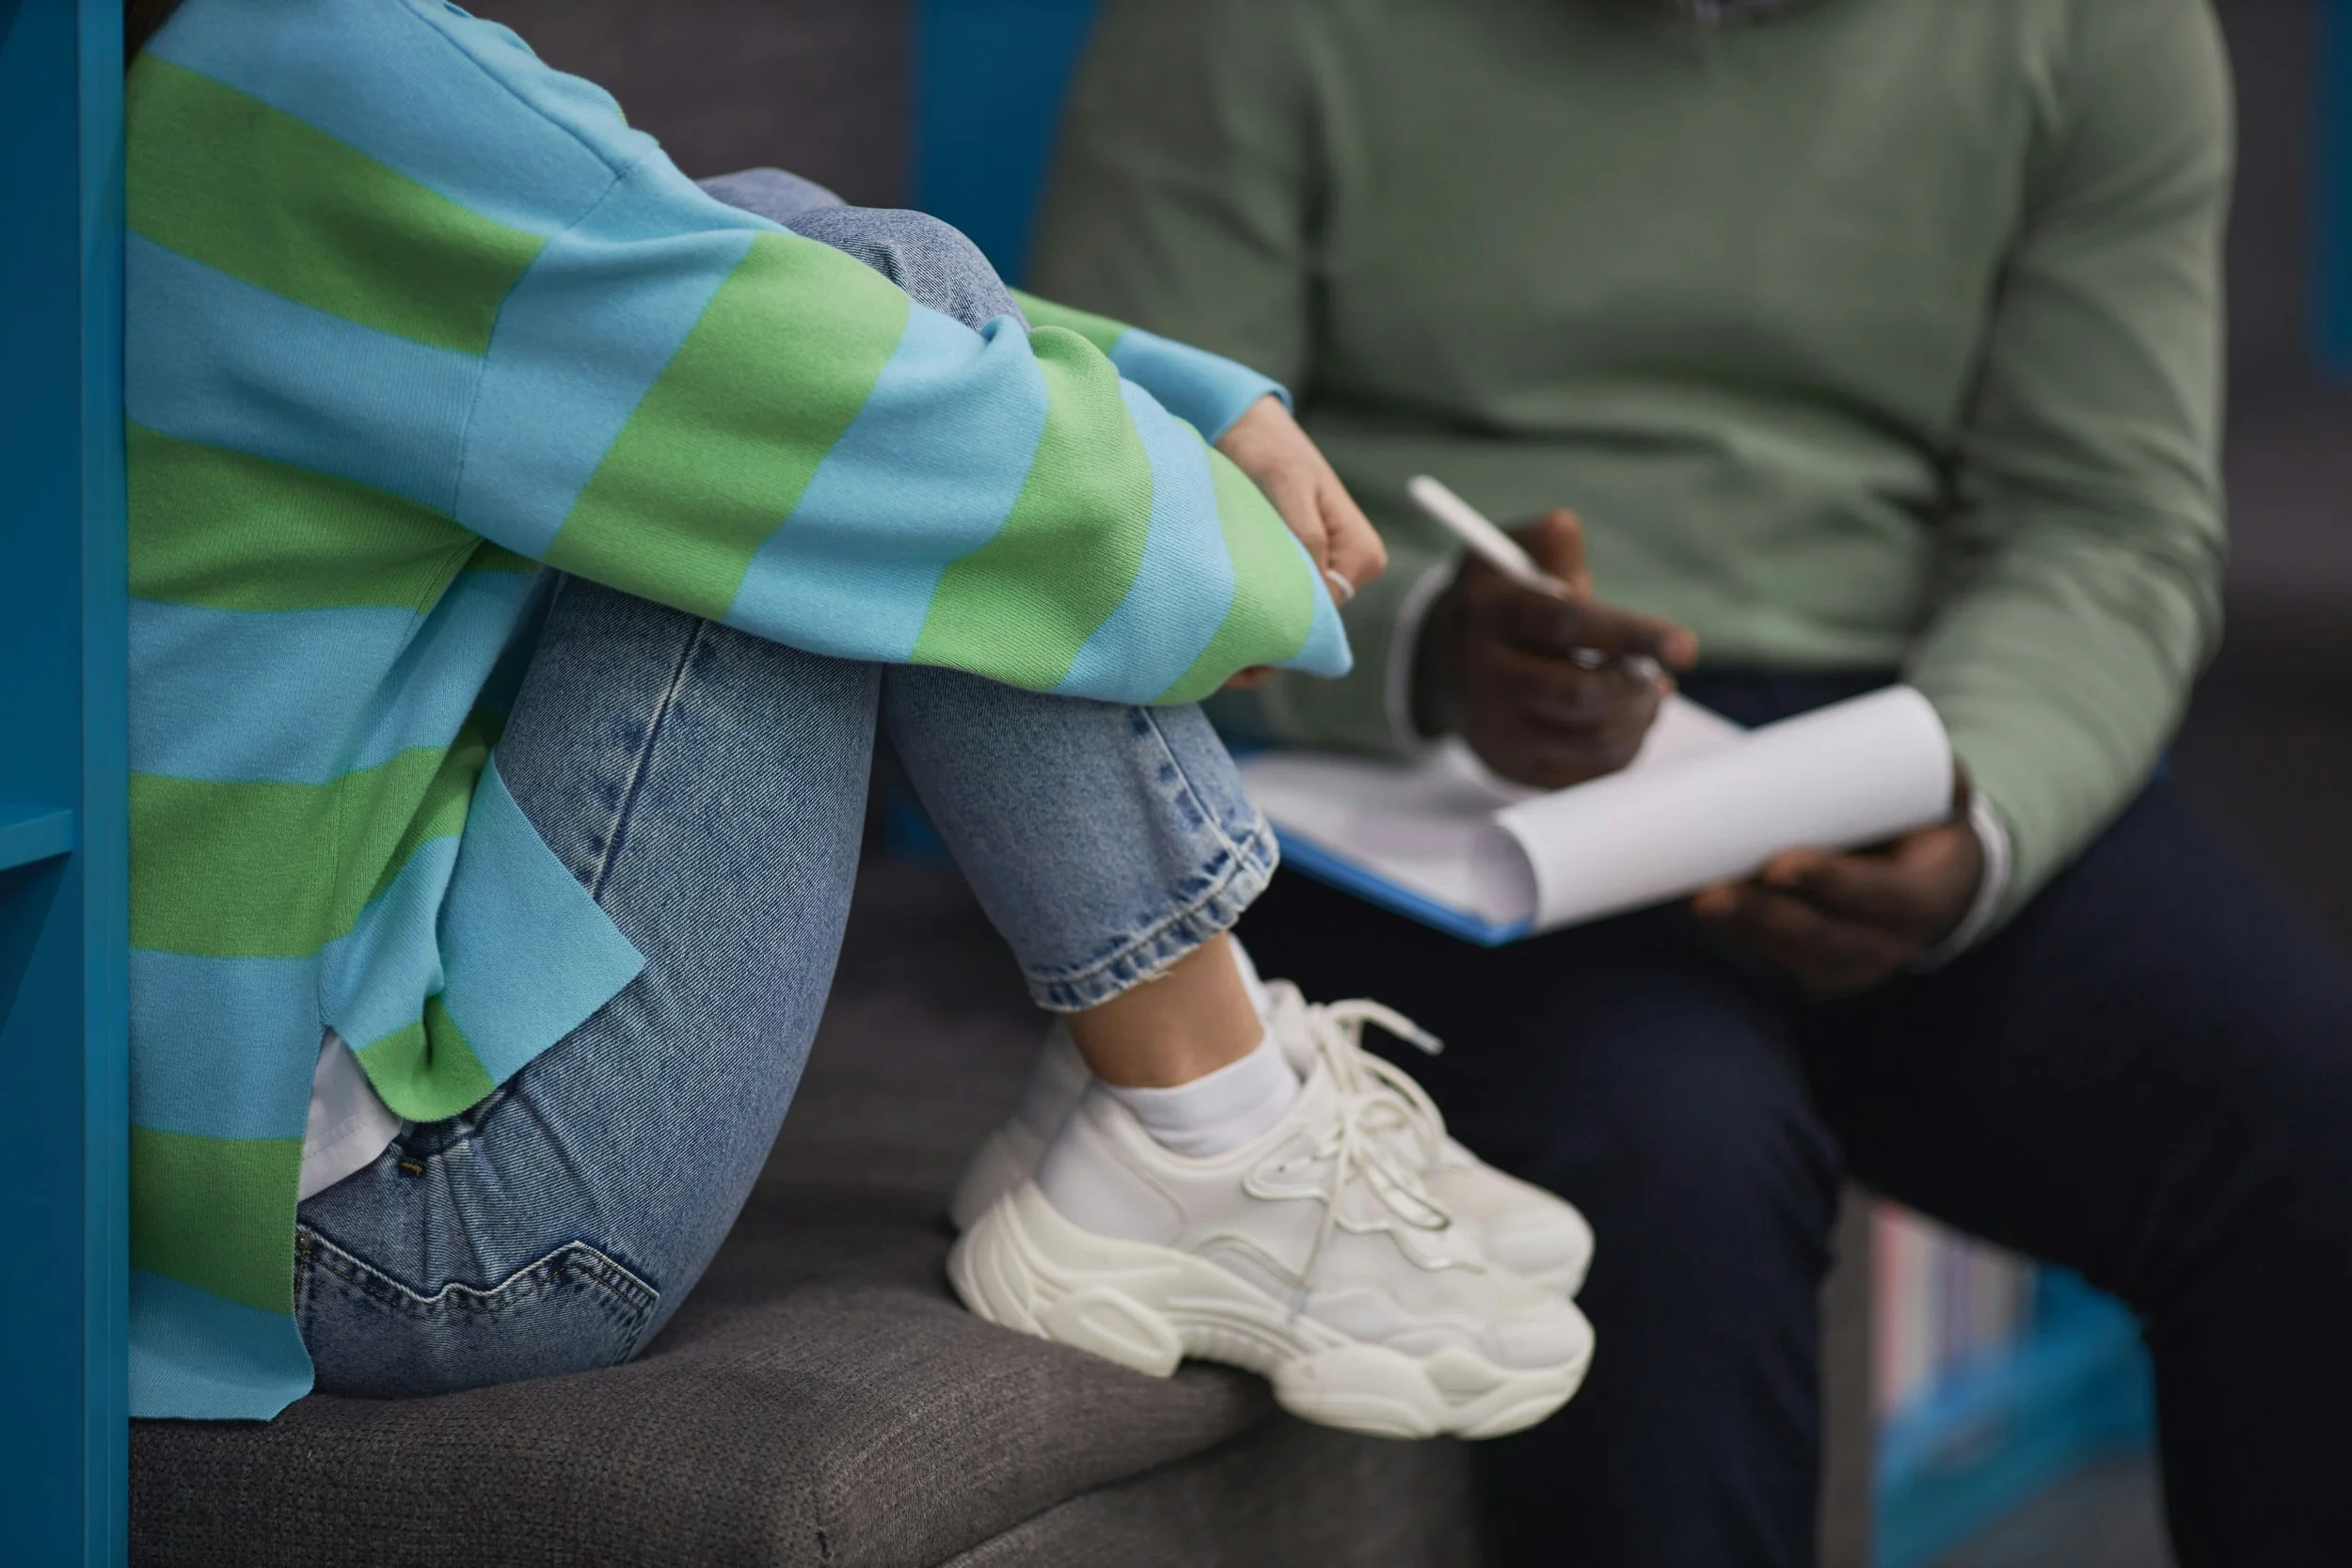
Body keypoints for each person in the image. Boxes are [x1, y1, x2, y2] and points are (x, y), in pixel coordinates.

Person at [123, 0, 1597, 1441]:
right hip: (402, 1238)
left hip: (224, 1158)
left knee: (851, 291)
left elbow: (688, 242)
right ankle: (1210, 1123)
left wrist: (1185, 400)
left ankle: (1197, 1111)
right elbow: (822, 362)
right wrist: (1246, 564)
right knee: (865, 364)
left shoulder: (163, 77)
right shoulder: (308, 66)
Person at [1030, 0, 2352, 1562]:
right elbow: (1112, 496)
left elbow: (2108, 521)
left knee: (2300, 1121)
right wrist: (1419, 645)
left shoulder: (2094, 32)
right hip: (1406, 773)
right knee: (1671, 1171)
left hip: (1909, 724)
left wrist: (1977, 809)